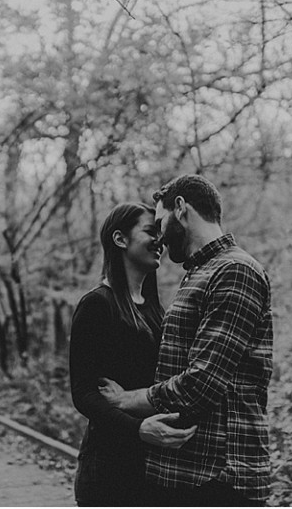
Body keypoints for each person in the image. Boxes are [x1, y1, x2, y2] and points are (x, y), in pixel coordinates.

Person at [100, 175, 274, 506]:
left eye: (161, 221)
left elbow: (202, 383)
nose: (160, 237)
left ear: (181, 209)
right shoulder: (199, 273)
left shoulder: (234, 270)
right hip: (188, 474)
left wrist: (124, 401)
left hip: (220, 478)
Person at [69, 202, 197, 507]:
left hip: (154, 465)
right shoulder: (97, 305)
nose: (161, 240)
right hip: (108, 468)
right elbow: (84, 393)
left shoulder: (155, 310)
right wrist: (138, 428)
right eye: (150, 231)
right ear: (120, 239)